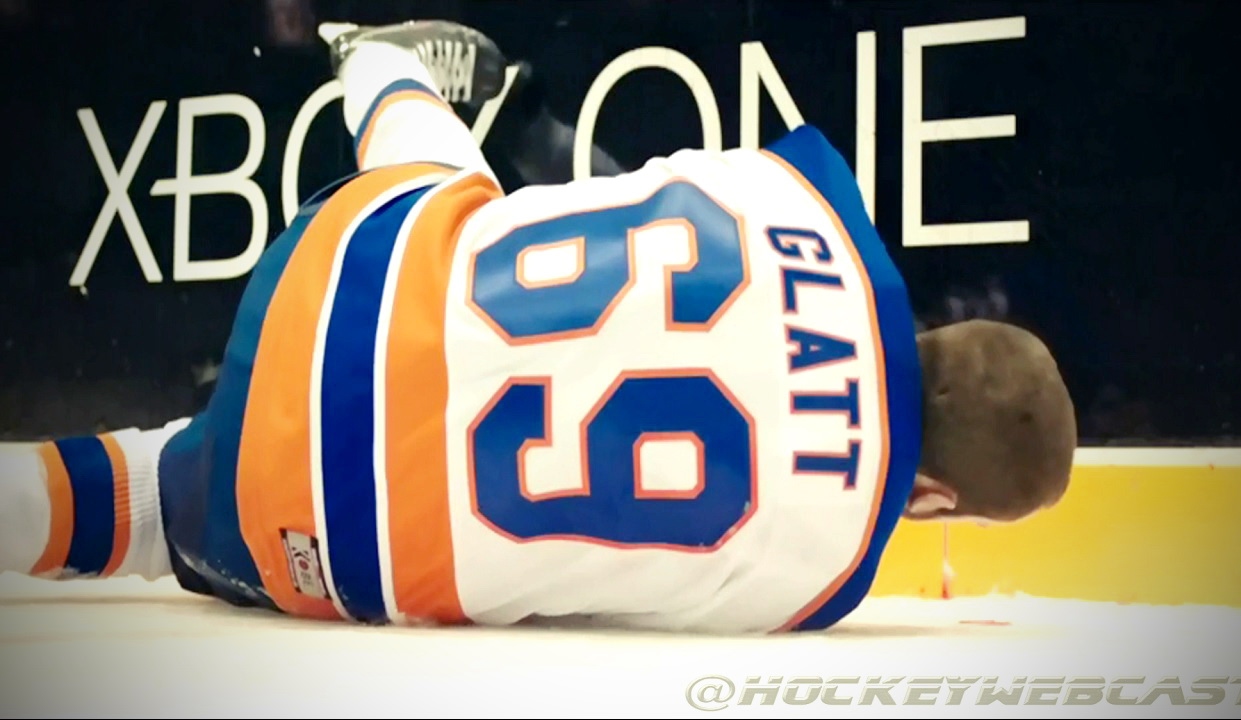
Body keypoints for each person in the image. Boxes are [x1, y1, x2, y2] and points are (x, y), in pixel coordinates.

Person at [0, 20, 1076, 633]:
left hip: (345, 266)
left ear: (941, 331)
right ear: (938, 501)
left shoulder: (812, 190)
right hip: (328, 533)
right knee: (165, 499)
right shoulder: (826, 581)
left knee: (448, 191)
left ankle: (373, 60)